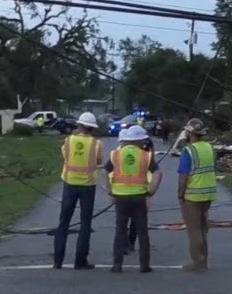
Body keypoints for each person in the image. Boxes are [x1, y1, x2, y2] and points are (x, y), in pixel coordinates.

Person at [105, 124, 161, 273]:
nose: (144, 143)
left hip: (120, 197)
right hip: (139, 197)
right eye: (142, 140)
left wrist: (110, 191)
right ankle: (144, 265)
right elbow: (157, 173)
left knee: (120, 230)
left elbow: (105, 171)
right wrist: (151, 192)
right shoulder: (145, 155)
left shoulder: (116, 154)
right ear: (138, 140)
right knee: (142, 232)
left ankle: (117, 265)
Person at [52, 113, 104, 270]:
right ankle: (80, 260)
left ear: (79, 126)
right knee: (85, 223)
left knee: (63, 223)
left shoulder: (68, 141)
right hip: (88, 186)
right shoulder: (96, 144)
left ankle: (58, 260)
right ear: (92, 128)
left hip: (69, 183)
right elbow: (99, 161)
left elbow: (65, 156)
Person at [176, 118, 217, 272]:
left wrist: (181, 193)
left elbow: (184, 175)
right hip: (208, 193)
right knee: (203, 227)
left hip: (192, 195)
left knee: (194, 230)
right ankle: (204, 259)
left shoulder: (189, 151)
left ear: (190, 133)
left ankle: (197, 262)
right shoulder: (210, 148)